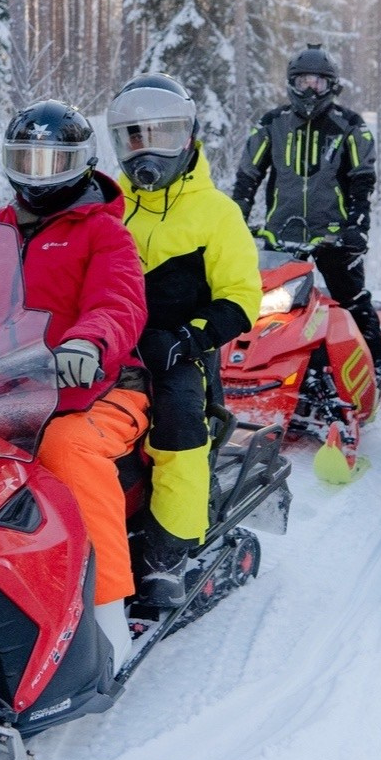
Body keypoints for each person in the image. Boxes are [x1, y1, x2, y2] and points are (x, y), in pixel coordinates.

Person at [0, 102, 153, 667]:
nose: (36, 173)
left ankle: (108, 614)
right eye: (25, 159)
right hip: (12, 392)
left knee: (66, 448)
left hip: (102, 387)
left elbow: (118, 302)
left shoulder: (102, 231)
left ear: (78, 164)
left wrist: (88, 342)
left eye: (51, 160)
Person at [105, 75, 262, 609]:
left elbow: (242, 296)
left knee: (177, 427)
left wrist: (190, 338)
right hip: (104, 346)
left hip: (176, 354)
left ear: (189, 138)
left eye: (163, 135)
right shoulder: (106, 205)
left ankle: (167, 551)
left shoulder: (216, 213)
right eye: (133, 137)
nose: (147, 151)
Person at [230, 45, 381, 368]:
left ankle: (375, 366)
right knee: (264, 306)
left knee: (351, 298)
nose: (310, 90)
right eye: (303, 82)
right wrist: (236, 215)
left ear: (332, 85)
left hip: (334, 235)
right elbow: (248, 175)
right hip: (281, 234)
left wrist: (358, 225)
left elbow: (363, 179)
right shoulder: (273, 123)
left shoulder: (350, 126)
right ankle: (254, 367)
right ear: (291, 84)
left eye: (318, 83)